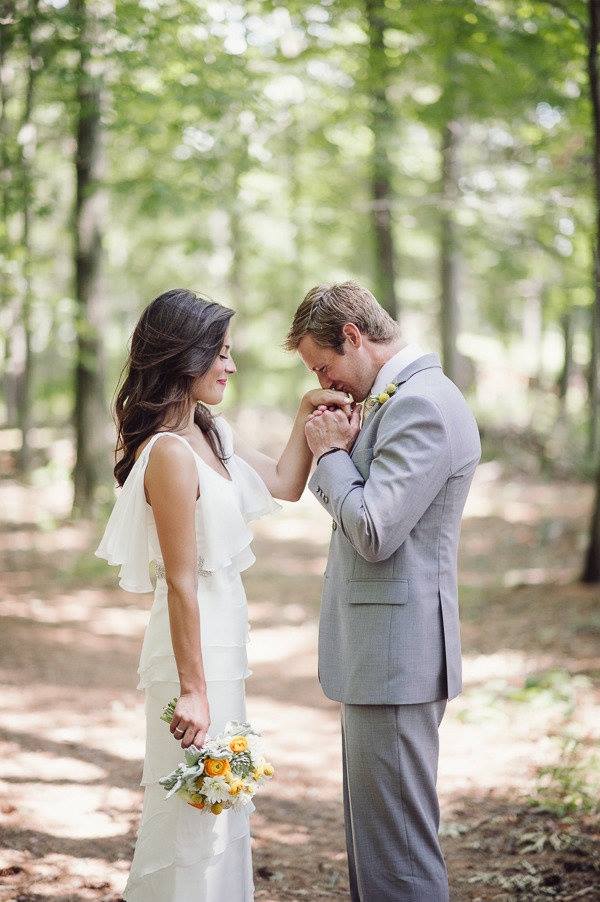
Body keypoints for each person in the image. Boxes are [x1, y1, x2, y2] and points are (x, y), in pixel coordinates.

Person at [95, 288, 350, 901]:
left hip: (224, 641)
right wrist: (193, 690)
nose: (231, 366)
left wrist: (307, 413)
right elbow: (181, 580)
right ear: (186, 357)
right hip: (192, 651)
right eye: (222, 354)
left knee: (223, 804)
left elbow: (288, 484)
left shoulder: (213, 432)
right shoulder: (171, 456)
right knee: (190, 811)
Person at [285, 280, 481, 902]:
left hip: (399, 657)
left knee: (398, 855)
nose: (326, 382)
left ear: (354, 336)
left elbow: (373, 530)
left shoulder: (422, 404)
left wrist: (328, 455)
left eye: (326, 365)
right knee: (377, 845)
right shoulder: (400, 398)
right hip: (384, 656)